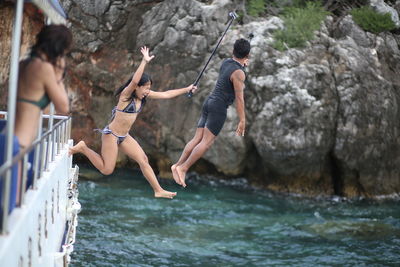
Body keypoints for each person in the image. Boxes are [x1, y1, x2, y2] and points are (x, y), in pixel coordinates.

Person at [69, 46, 197, 199]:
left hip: (124, 136)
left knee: (143, 159)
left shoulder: (142, 97)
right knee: (106, 169)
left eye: (149, 88)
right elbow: (135, 79)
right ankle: (83, 148)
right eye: (145, 88)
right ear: (137, 87)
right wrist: (144, 61)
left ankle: (158, 189)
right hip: (112, 135)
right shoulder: (125, 96)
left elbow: (166, 94)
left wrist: (187, 89)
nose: (147, 91)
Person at [171, 38, 251, 187]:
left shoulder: (226, 63)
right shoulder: (239, 73)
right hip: (219, 107)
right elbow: (239, 99)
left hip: (209, 102)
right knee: (206, 143)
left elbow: (233, 72)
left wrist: (242, 65)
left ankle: (177, 165)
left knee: (197, 139)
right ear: (248, 55)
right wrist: (242, 120)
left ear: (233, 51)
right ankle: (183, 168)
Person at [15, 24, 72, 148]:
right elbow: (63, 107)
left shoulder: (23, 64)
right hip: (20, 143)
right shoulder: (43, 68)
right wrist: (59, 75)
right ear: (59, 48)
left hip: (12, 137)